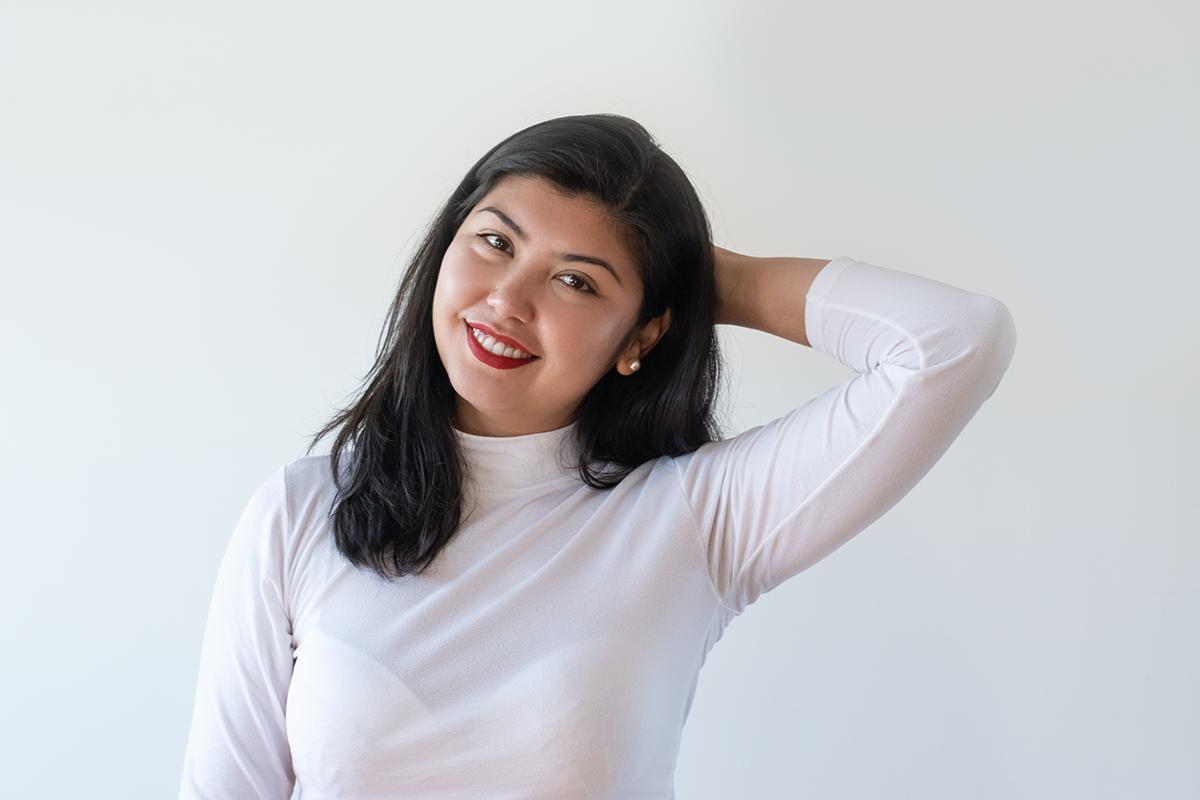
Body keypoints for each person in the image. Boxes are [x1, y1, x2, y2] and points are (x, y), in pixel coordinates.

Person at [178, 113, 1017, 799]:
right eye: (496, 243)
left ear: (643, 334)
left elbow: (955, 345)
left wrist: (697, 280)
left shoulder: (694, 519)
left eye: (576, 282)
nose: (507, 301)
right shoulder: (301, 511)